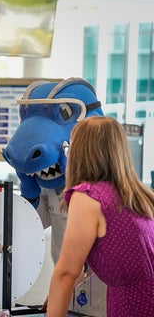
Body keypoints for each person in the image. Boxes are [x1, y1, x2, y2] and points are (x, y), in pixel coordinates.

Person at [47, 116, 154, 317]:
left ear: (80, 153)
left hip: (134, 304)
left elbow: (67, 273)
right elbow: (115, 256)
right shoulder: (137, 195)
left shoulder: (88, 196)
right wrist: (56, 295)